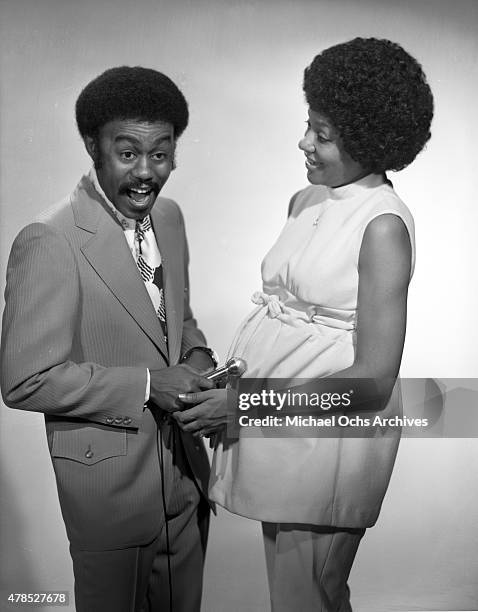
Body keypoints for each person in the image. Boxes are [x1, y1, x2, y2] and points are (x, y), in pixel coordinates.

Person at [174, 38, 434, 611]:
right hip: (282, 430)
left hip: (328, 441)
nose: (305, 142)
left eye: (325, 134)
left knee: (306, 598)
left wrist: (243, 406)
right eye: (308, 124)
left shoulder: (383, 226)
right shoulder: (306, 199)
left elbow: (371, 382)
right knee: (298, 598)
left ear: (370, 140)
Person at [0, 66, 219, 612]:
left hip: (186, 477)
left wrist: (198, 360)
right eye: (128, 153)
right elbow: (26, 380)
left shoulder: (169, 217)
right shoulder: (48, 239)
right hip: (109, 493)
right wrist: (149, 385)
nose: (147, 172)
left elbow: (176, 318)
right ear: (91, 146)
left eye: (161, 154)